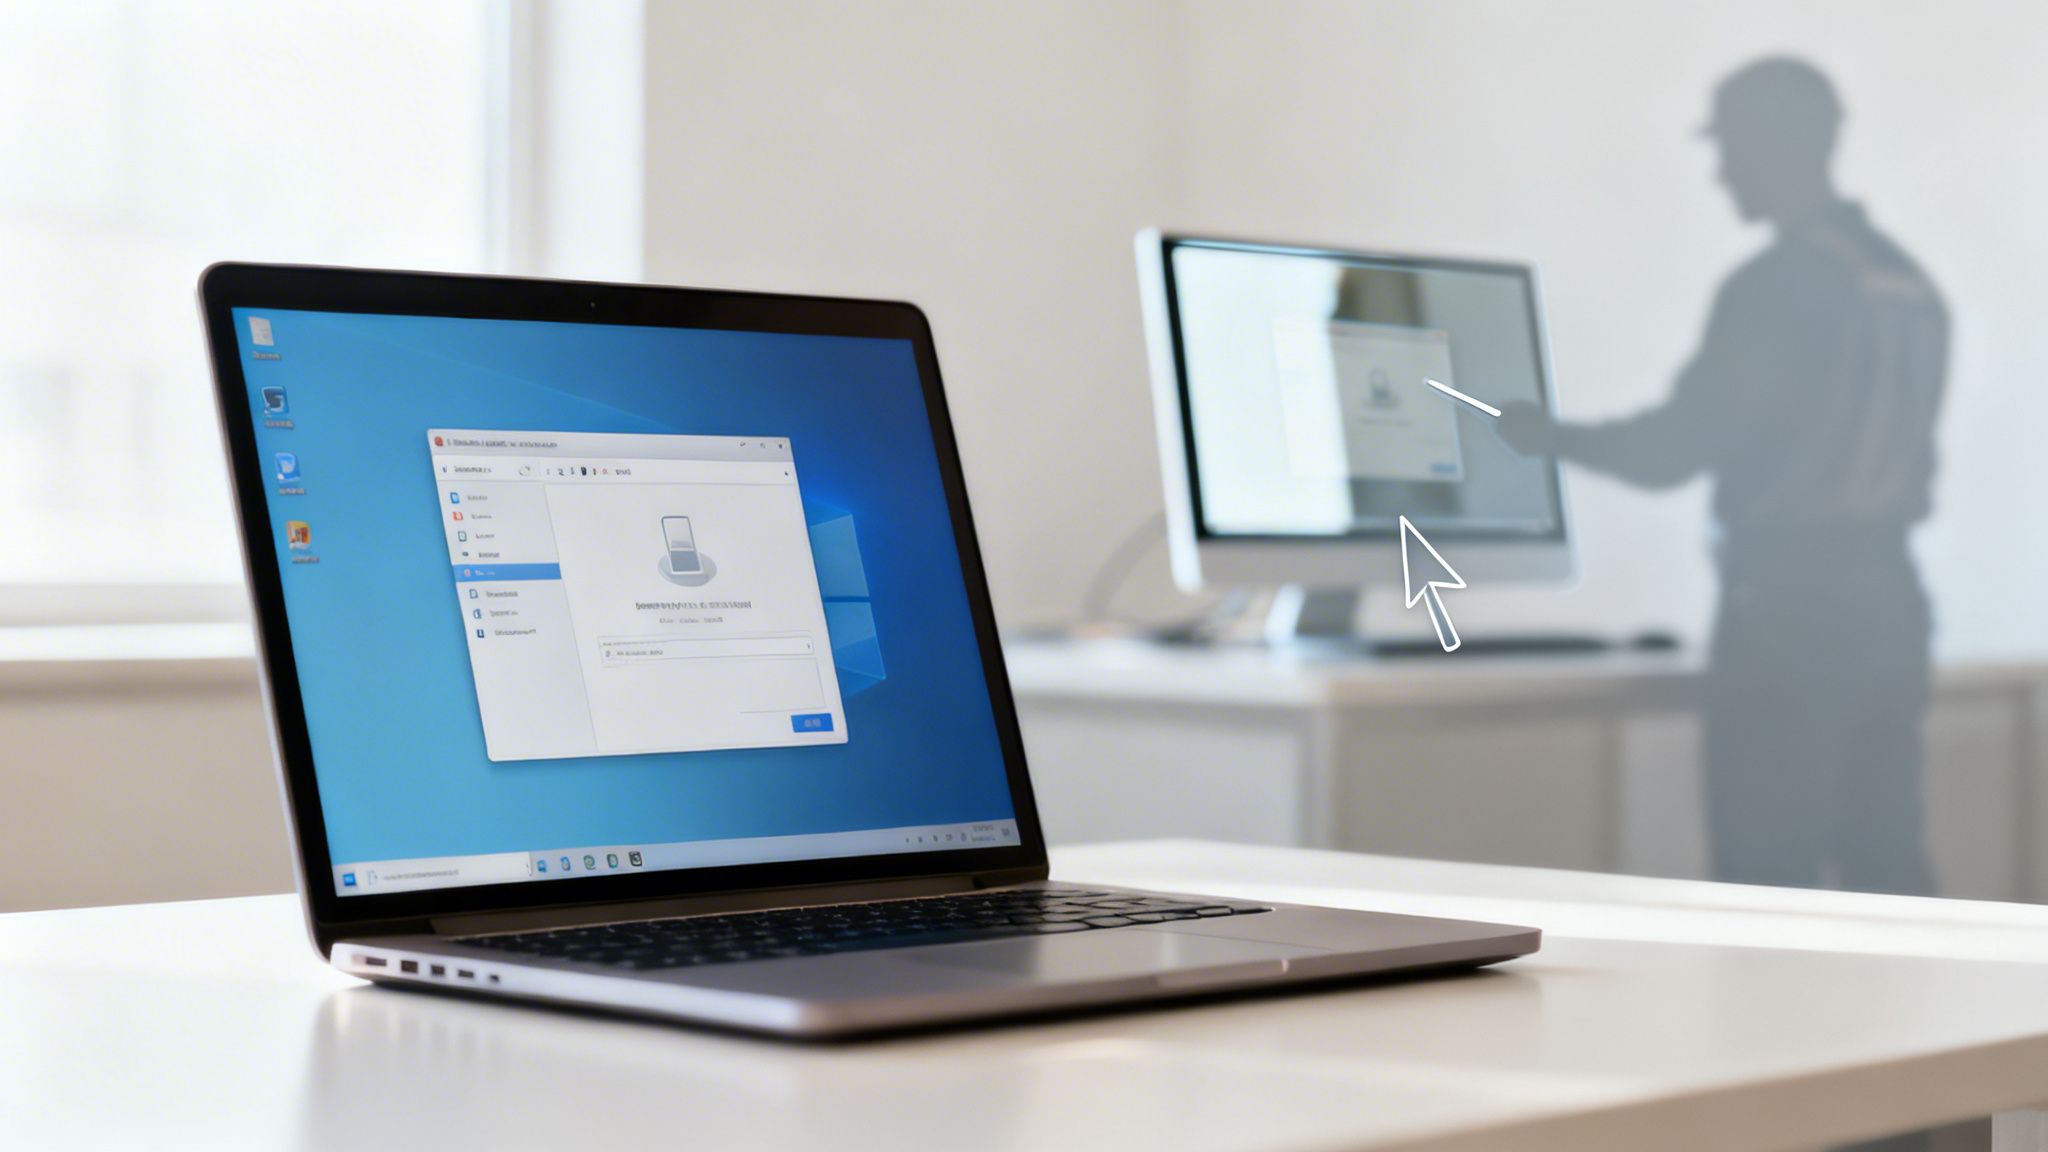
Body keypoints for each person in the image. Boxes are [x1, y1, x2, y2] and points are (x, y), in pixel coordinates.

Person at [1497, 57, 1949, 895]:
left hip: (1791, 618)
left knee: (1764, 884)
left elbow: (1674, 449)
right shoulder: (1910, 284)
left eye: (1729, 146)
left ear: (1776, 142)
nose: (1720, 172)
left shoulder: (1778, 285)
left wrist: (1537, 437)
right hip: (1891, 606)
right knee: (1887, 870)